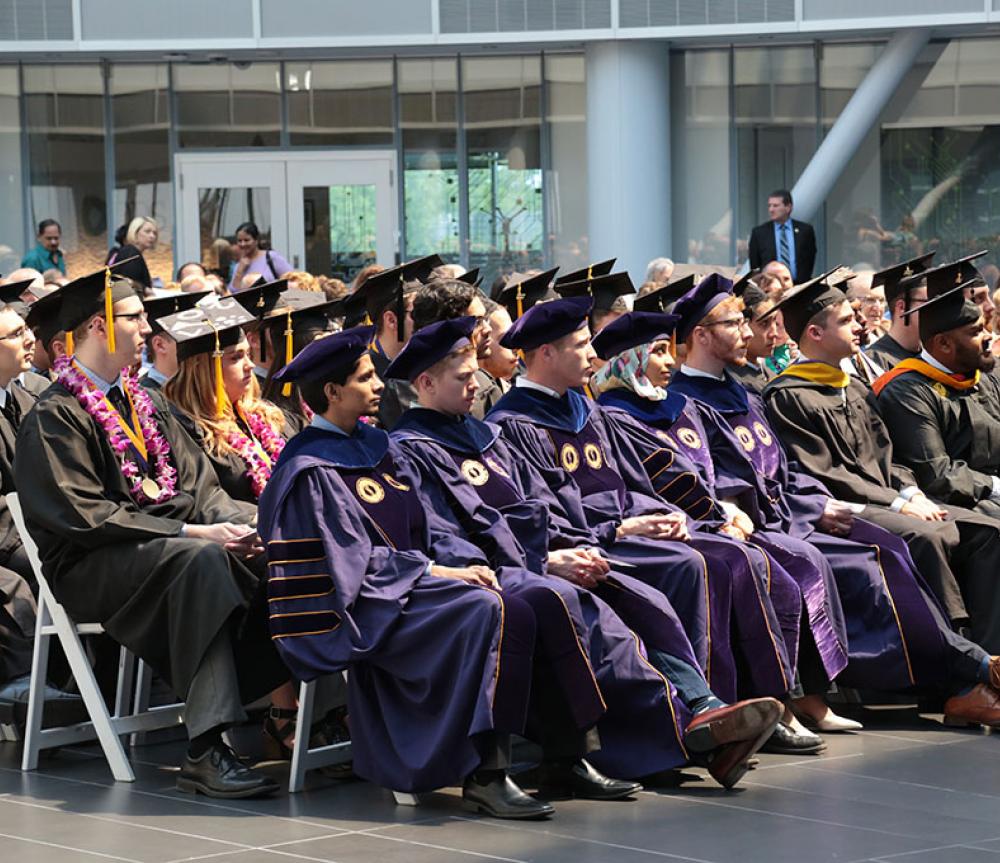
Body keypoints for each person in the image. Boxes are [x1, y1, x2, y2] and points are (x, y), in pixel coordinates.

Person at [386, 317, 783, 787]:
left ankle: (704, 709)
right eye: (464, 378)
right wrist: (547, 559)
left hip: (551, 554)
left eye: (476, 375)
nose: (478, 385)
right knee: (603, 626)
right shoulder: (410, 450)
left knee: (644, 601)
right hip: (496, 573)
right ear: (426, 383)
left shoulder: (483, 439)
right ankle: (691, 732)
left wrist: (570, 546)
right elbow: (443, 537)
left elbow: (540, 503)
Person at [598, 300, 1000, 728]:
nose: (749, 332)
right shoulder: (644, 411)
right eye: (735, 324)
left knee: (887, 549)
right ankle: (966, 673)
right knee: (858, 564)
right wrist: (727, 514)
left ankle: (965, 674)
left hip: (785, 513)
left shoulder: (735, 397)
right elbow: (705, 486)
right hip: (747, 525)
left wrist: (815, 504)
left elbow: (784, 468)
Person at [258, 327, 598, 818]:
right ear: (331, 393)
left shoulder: (379, 446)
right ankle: (486, 773)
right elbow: (350, 566)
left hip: (419, 585)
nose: (379, 385)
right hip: (369, 607)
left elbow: (430, 521)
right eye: (365, 377)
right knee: (490, 609)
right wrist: (439, 573)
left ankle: (568, 755)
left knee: (538, 597)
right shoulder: (308, 471)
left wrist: (466, 564)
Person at [485, 295, 825, 755]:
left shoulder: (588, 412)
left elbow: (633, 480)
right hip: (592, 541)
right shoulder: (514, 424)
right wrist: (621, 530)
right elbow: (544, 513)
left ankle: (757, 704)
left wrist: (660, 515)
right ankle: (709, 711)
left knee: (734, 556)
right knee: (696, 566)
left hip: (630, 530)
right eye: (582, 345)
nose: (592, 355)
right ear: (546, 352)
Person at [15, 266, 288, 798]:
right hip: (92, 563)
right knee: (203, 561)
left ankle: (314, 715)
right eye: (136, 318)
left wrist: (263, 521)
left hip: (163, 549)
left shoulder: (148, 403)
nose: (147, 329)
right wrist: (193, 533)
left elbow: (200, 489)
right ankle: (206, 748)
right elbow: (85, 516)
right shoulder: (57, 415)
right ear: (99, 326)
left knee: (282, 551)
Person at [760, 273, 1000, 658]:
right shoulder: (788, 396)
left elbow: (890, 457)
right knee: (928, 536)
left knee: (988, 531)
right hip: (848, 510)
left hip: (890, 500)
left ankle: (989, 657)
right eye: (845, 321)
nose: (859, 326)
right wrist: (897, 503)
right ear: (815, 334)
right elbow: (827, 474)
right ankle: (947, 666)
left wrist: (911, 491)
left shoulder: (853, 387)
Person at [873, 271, 1000, 518]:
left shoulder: (984, 376)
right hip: (958, 505)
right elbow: (938, 475)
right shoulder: (906, 391)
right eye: (975, 332)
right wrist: (996, 486)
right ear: (943, 344)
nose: (988, 337)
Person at [353, 255, 442, 429]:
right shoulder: (362, 378)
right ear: (392, 320)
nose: (428, 321)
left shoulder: (430, 367)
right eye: (418, 313)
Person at [411, 277, 505, 420]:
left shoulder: (485, 383)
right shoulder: (409, 391)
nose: (487, 329)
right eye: (476, 322)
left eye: (485, 319)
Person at [138, 291, 212, 391]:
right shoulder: (142, 399)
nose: (200, 346)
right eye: (188, 337)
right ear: (160, 345)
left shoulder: (204, 390)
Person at [748, 191, 816, 283]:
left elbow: (809, 258)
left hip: (800, 286)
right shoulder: (759, 233)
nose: (771, 209)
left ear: (788, 207)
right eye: (769, 206)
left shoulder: (805, 231)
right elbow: (755, 265)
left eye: (775, 206)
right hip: (770, 288)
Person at [228, 223, 292, 293]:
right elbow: (232, 292)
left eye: (246, 240)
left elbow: (293, 279)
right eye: (239, 241)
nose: (243, 244)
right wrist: (239, 272)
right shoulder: (239, 265)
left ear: (256, 240)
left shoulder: (271, 257)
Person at [107, 217, 159, 289]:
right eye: (147, 231)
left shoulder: (127, 252)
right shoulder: (131, 253)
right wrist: (144, 289)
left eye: (155, 233)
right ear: (134, 233)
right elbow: (127, 283)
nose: (152, 236)